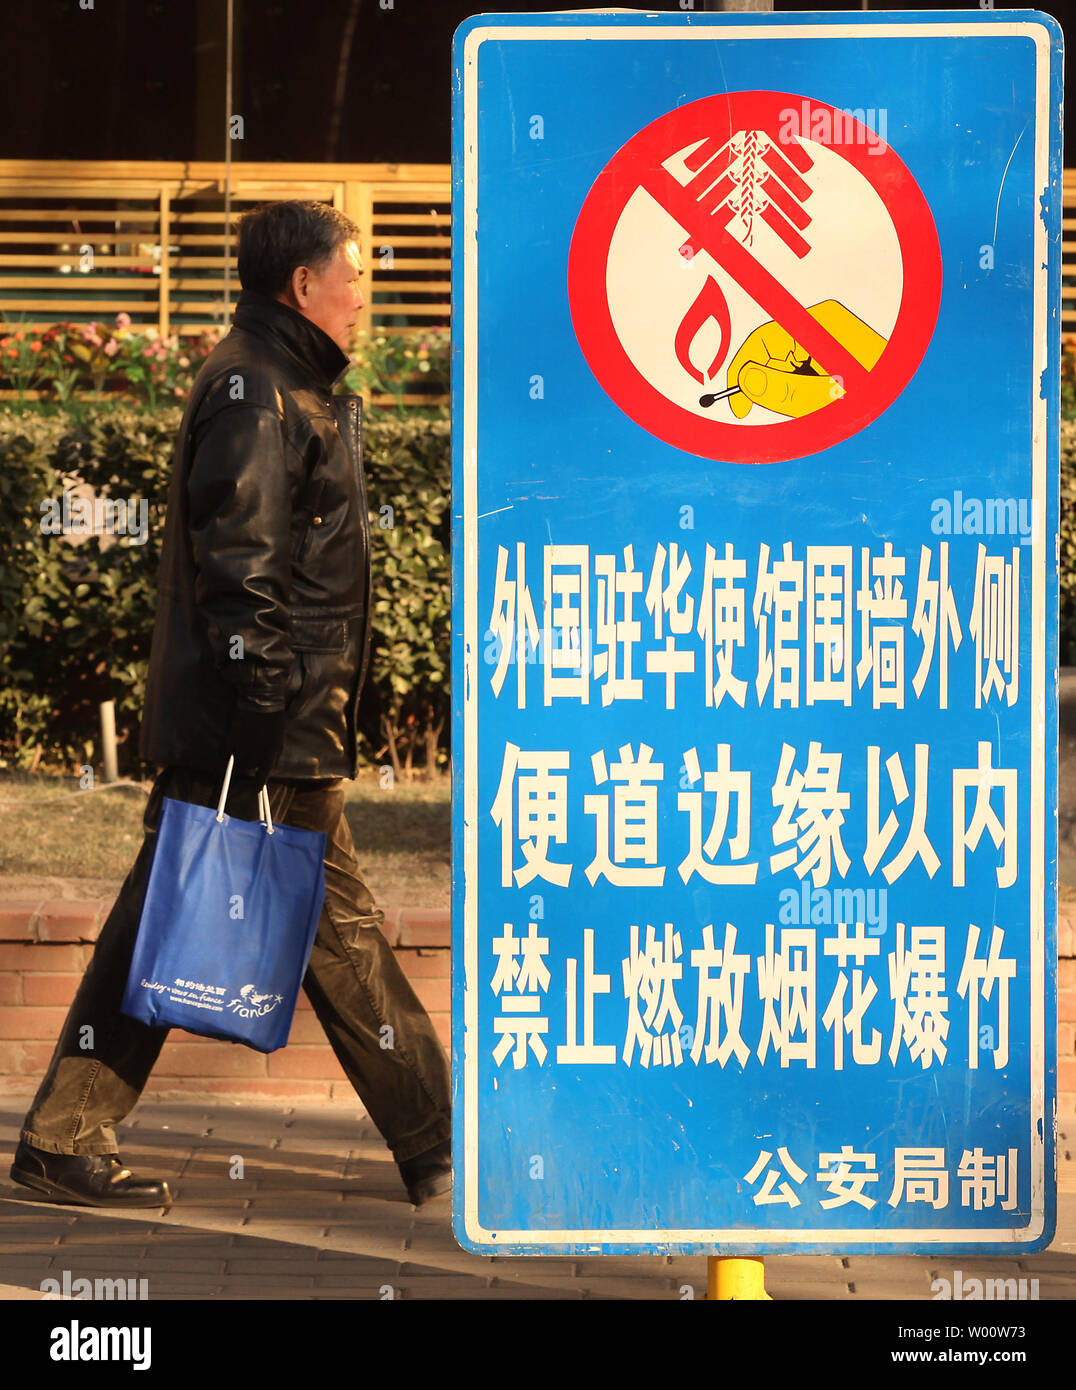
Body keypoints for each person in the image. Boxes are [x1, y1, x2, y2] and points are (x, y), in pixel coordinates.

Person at [10, 200, 452, 1209]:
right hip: (260, 724)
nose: (363, 307)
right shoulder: (259, 393)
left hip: (267, 720)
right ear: (303, 285)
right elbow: (239, 565)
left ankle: (61, 1137)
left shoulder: (285, 380)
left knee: (190, 913)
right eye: (355, 284)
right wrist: (270, 708)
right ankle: (437, 1147)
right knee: (327, 929)